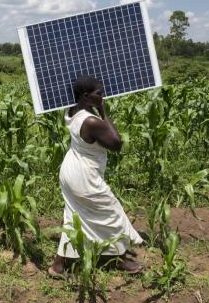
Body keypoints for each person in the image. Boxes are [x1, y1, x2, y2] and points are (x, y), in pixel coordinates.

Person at [48, 75, 143, 277]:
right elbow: (116, 144)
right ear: (85, 95)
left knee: (75, 218)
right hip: (83, 175)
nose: (103, 96)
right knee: (110, 213)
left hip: (71, 170)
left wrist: (96, 106)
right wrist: (103, 111)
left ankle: (58, 266)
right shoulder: (91, 120)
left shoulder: (73, 110)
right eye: (98, 93)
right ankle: (118, 259)